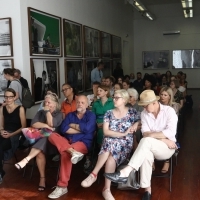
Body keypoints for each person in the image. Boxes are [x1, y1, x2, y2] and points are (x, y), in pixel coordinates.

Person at [104, 90, 178, 200]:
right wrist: (164, 139)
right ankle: (147, 191)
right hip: (155, 145)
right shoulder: (144, 113)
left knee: (146, 142)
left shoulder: (169, 111)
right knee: (146, 153)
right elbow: (145, 133)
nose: (144, 108)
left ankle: (126, 171)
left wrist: (163, 140)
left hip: (167, 148)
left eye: (145, 106)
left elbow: (171, 132)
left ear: (154, 102)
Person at [81, 90, 141, 200]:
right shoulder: (109, 113)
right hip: (110, 143)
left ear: (124, 100)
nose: (114, 99)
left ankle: (94, 174)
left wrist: (136, 124)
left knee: (110, 144)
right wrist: (122, 133)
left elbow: (140, 121)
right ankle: (106, 189)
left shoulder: (132, 112)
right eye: (113, 97)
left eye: (116, 98)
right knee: (110, 156)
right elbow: (106, 131)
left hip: (124, 145)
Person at [47, 95, 96, 199]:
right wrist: (80, 129)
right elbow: (63, 129)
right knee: (51, 135)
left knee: (65, 154)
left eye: (82, 102)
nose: (80, 104)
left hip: (83, 143)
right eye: (78, 102)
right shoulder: (70, 115)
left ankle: (62, 186)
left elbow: (87, 129)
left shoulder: (91, 115)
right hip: (67, 141)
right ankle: (72, 151)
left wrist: (72, 125)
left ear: (87, 105)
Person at [15, 93, 63, 191]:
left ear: (54, 104)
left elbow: (52, 123)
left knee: (46, 137)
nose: (46, 104)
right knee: (40, 153)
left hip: (53, 144)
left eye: (49, 102)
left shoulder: (59, 114)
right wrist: (46, 126)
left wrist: (47, 113)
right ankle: (42, 178)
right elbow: (34, 124)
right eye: (45, 102)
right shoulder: (40, 112)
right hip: (38, 141)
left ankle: (26, 159)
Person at [0, 88, 26, 184]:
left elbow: (23, 127)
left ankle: (0, 173)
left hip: (15, 134)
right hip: (4, 133)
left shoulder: (20, 108)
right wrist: (2, 131)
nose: (8, 99)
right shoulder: (2, 108)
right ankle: (1, 172)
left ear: (14, 97)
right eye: (6, 97)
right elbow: (1, 125)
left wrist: (11, 134)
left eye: (10, 97)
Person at [159, 86, 180, 174]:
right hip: (158, 128)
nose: (162, 96)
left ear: (170, 96)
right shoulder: (157, 104)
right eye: (161, 94)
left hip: (168, 129)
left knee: (168, 136)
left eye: (165, 95)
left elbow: (171, 123)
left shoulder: (174, 106)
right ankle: (151, 160)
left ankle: (166, 161)